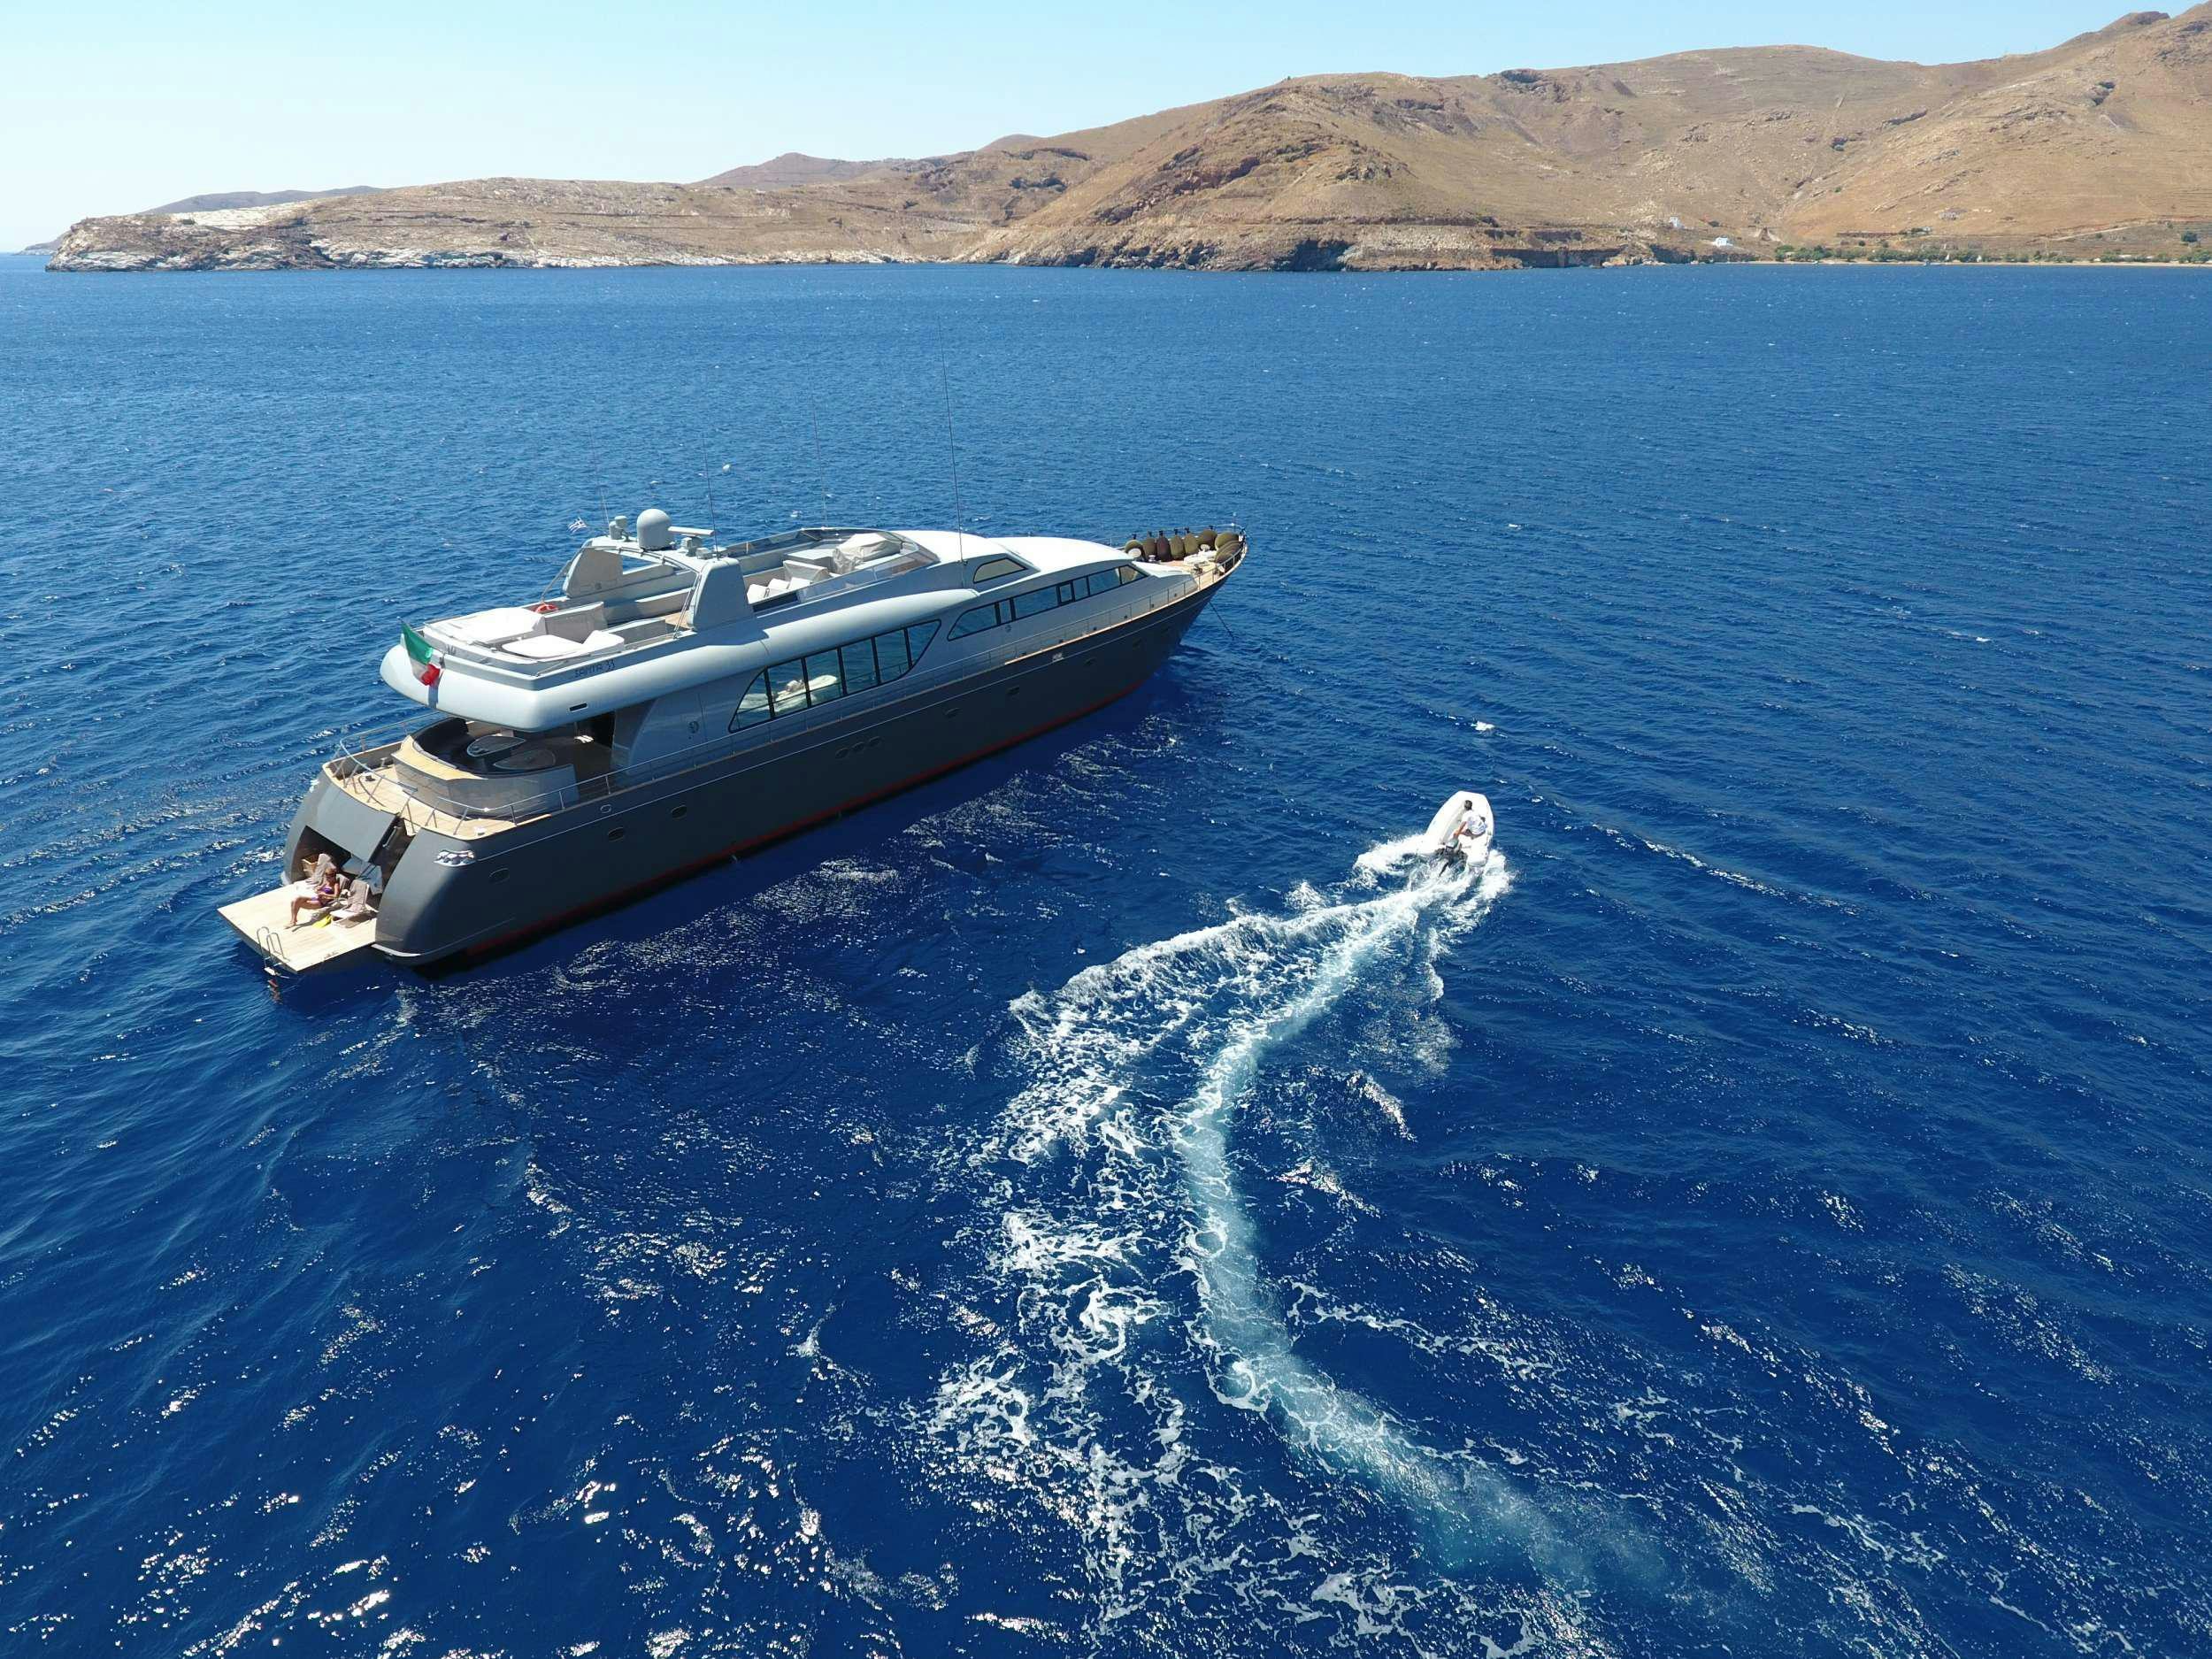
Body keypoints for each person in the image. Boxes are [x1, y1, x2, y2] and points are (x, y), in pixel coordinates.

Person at [288, 853, 341, 927]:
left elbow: (336, 896)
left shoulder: (335, 885)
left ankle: (293, 921)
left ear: (333, 877)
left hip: (321, 903)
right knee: (296, 899)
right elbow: (320, 887)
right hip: (316, 898)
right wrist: (318, 889)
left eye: (329, 877)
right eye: (326, 877)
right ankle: (293, 920)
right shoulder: (327, 882)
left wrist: (324, 894)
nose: (327, 879)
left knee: (296, 903)